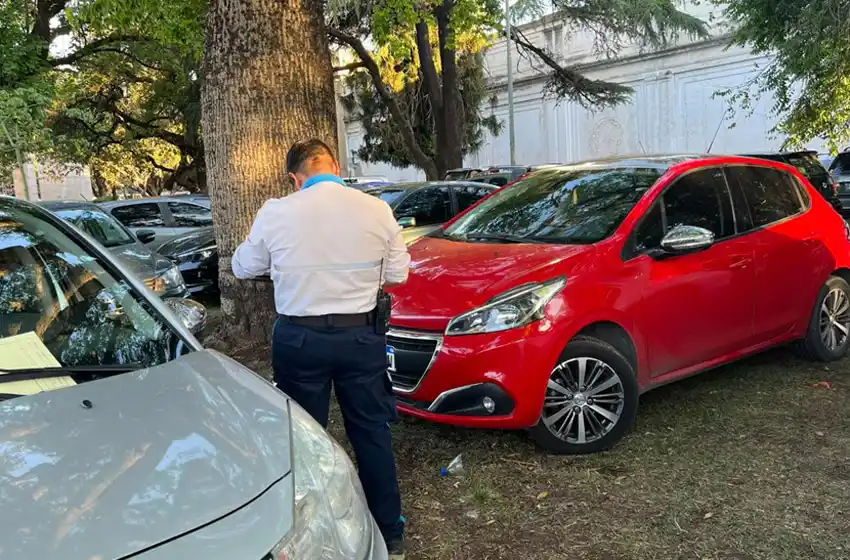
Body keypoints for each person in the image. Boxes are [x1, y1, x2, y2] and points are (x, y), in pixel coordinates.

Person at [231, 139, 410, 558]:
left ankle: (310, 536)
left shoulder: (276, 212)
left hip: (300, 340)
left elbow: (243, 266)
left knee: (304, 438)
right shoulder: (376, 209)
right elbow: (399, 274)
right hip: (361, 338)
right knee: (370, 431)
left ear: (296, 178)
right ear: (337, 166)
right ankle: (390, 531)